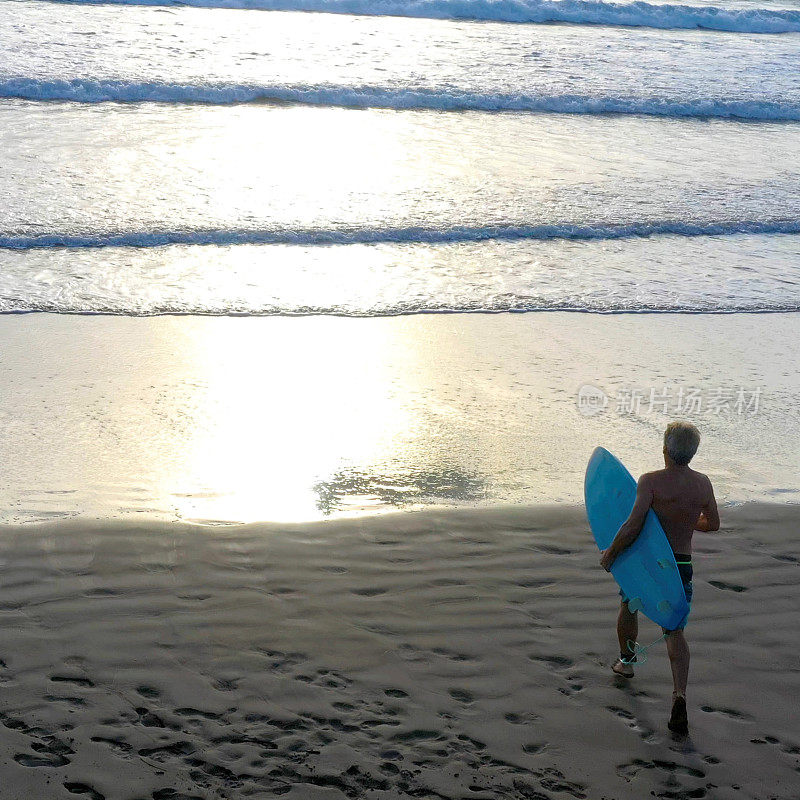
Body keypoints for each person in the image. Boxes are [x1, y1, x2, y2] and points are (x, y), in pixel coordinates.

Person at [599, 421, 719, 734]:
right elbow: (713, 523)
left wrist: (611, 553)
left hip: (648, 562)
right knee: (674, 629)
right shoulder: (703, 484)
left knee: (630, 606)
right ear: (692, 453)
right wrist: (688, 521)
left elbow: (632, 526)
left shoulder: (650, 481)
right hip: (680, 564)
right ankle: (679, 695)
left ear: (665, 449)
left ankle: (626, 663)